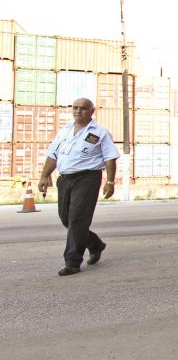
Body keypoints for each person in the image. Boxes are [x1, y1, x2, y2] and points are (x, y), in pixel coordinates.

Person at [38, 98, 120, 276]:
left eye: (83, 108)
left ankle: (72, 262)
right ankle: (95, 244)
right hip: (65, 179)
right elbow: (53, 154)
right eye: (75, 108)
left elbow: (110, 157)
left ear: (92, 111)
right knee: (66, 219)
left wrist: (110, 181)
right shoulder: (65, 131)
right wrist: (44, 175)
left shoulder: (100, 133)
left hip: (87, 179)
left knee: (77, 219)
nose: (78, 111)